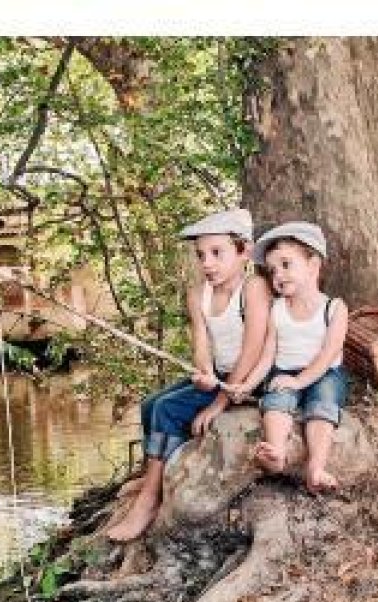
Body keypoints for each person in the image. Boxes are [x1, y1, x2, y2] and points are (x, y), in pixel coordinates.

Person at [104, 208, 271, 542]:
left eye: (216, 253)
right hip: (218, 376)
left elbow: (253, 350)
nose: (207, 263)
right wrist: (204, 371)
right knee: (153, 404)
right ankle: (157, 471)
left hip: (248, 380)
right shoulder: (199, 295)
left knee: (168, 410)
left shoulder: (254, 289)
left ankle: (149, 501)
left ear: (245, 252)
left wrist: (219, 402)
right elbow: (201, 343)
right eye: (201, 255)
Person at [225, 222, 349, 492]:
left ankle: (316, 468)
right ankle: (277, 453)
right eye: (272, 270)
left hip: (324, 373)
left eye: (285, 264)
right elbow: (268, 356)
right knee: (275, 399)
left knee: (322, 404)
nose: (278, 275)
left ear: (313, 265)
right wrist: (247, 384)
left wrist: (300, 381)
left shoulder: (334, 308)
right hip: (284, 371)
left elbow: (328, 355)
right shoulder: (277, 309)